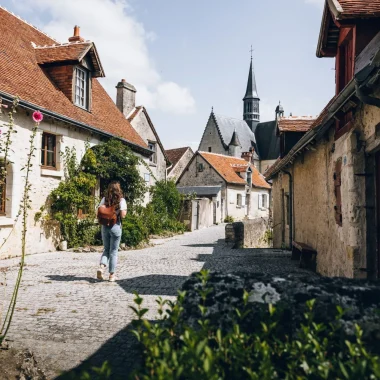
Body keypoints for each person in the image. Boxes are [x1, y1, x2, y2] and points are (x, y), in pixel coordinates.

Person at [97, 181, 127, 282]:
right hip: (115, 226)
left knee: (106, 249)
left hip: (105, 227)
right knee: (113, 252)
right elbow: (123, 215)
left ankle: (101, 267)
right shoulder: (121, 200)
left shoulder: (104, 199)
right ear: (118, 190)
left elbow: (99, 210)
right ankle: (111, 275)